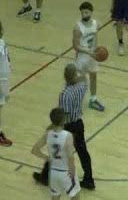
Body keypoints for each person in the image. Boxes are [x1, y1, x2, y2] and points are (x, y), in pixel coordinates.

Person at [33, 63, 96, 191]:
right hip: (78, 123)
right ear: (75, 75)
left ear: (64, 76)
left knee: (54, 148)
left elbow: (64, 116)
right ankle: (89, 179)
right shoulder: (81, 87)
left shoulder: (65, 94)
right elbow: (84, 77)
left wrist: (51, 126)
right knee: (83, 152)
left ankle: (45, 176)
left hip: (67, 125)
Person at [31, 107, 89, 200]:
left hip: (53, 172)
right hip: (65, 172)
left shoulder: (48, 134)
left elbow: (34, 150)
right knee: (75, 196)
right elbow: (70, 156)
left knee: (54, 199)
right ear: (63, 120)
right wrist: (73, 171)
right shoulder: (67, 136)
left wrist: (46, 157)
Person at [72, 2, 106, 111]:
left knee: (93, 77)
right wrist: (88, 52)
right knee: (79, 80)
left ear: (91, 12)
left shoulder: (96, 23)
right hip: (82, 57)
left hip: (93, 55)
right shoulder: (78, 27)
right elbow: (76, 46)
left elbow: (95, 36)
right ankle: (75, 101)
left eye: (86, 12)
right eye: (82, 13)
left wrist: (96, 50)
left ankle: (93, 99)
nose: (84, 15)